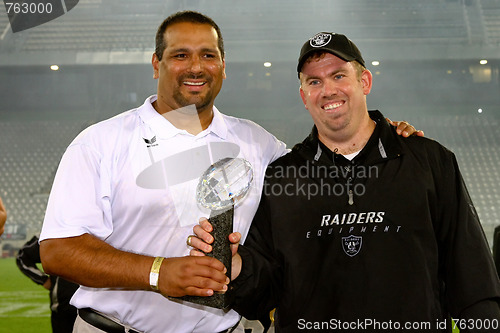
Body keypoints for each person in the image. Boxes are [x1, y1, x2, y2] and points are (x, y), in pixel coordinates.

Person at [38, 10, 420, 333]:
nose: (195, 67)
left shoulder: (258, 144)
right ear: (157, 63)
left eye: (208, 55)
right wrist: (157, 272)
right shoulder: (101, 142)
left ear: (223, 65)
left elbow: (329, 168)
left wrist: (382, 135)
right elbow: (57, 250)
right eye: (180, 55)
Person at [191, 32, 500, 332]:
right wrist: (236, 267)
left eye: (339, 76)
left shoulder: (430, 162)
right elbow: (265, 290)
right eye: (314, 81)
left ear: (364, 82)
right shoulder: (281, 176)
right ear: (304, 96)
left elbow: (473, 280)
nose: (328, 90)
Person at [16, 235, 79, 333]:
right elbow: (22, 256)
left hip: (95, 308)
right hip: (63, 307)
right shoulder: (54, 234)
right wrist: (43, 280)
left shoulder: (100, 230)